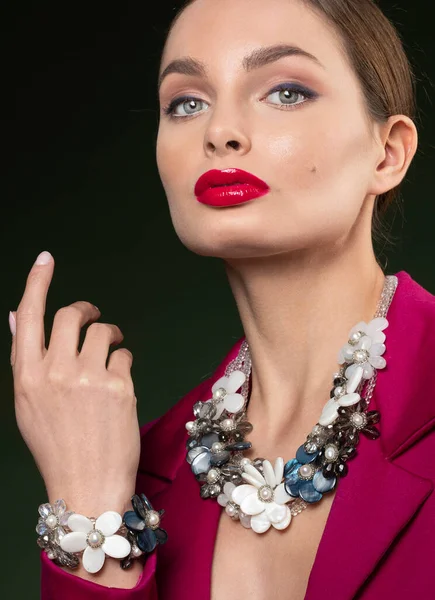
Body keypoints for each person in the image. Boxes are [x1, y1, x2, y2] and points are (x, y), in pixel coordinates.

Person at [9, 0, 435, 598]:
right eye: (187, 102)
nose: (219, 132)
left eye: (285, 92)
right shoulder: (138, 479)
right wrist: (88, 515)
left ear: (387, 153)